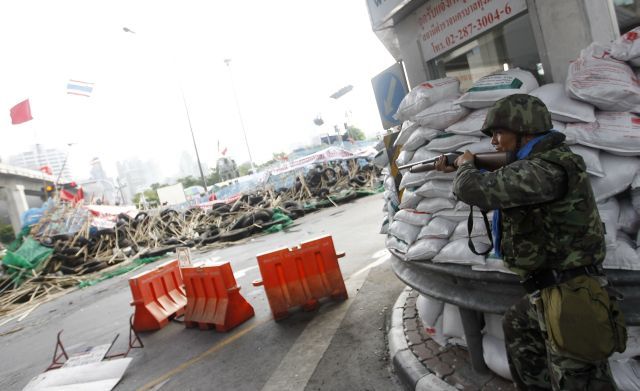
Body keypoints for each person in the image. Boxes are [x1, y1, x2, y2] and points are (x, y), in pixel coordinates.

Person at [435, 94, 620, 390]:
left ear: (525, 130)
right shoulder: (535, 165)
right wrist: (461, 164)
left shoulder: (547, 168)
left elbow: (475, 189)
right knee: (517, 325)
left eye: (499, 133)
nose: (494, 142)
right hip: (550, 290)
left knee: (579, 379)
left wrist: (466, 165)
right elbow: (509, 177)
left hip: (572, 297)